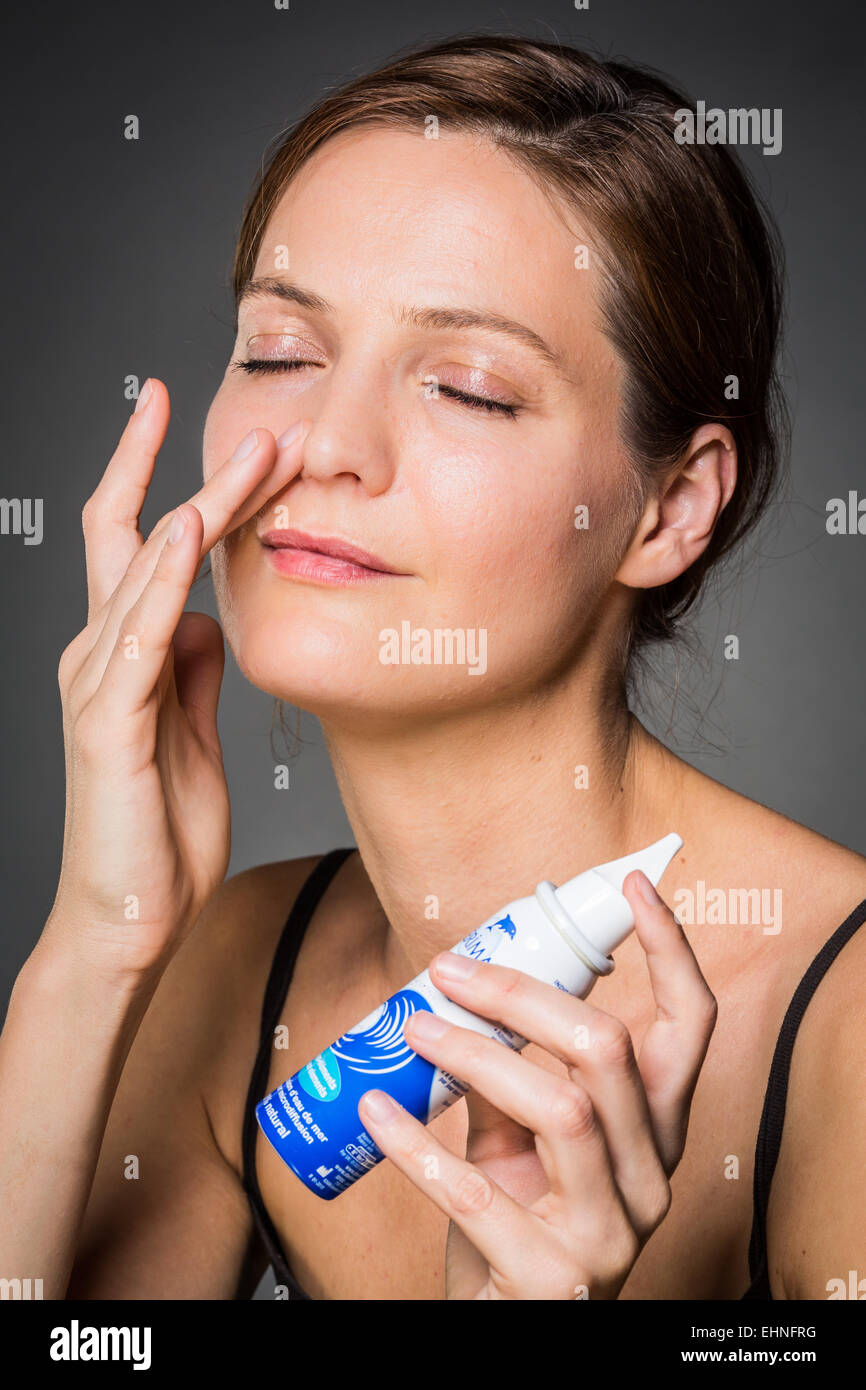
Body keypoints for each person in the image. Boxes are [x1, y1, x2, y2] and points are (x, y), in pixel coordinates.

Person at [2, 33, 864, 1302]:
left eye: (466, 387)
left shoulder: (841, 1024)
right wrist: (92, 944)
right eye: (281, 353)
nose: (325, 447)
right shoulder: (236, 961)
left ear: (668, 509)